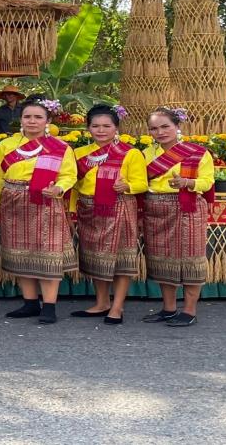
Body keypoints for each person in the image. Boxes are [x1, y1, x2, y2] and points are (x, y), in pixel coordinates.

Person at [0, 97, 77, 324]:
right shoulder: (6, 145)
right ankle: (30, 302)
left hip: (45, 202)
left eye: (38, 117)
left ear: (47, 121)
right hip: (13, 202)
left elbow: (69, 175)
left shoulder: (60, 147)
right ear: (21, 119)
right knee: (20, 251)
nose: (32, 121)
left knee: (48, 252)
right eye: (27, 117)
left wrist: (58, 188)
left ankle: (49, 306)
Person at [70, 104, 147, 325]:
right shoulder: (79, 153)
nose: (101, 130)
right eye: (95, 126)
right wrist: (71, 210)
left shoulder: (130, 153)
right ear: (88, 128)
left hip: (119, 207)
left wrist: (127, 186)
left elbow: (142, 183)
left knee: (121, 258)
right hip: (89, 208)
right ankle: (101, 302)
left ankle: (117, 306)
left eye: (106, 126)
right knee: (95, 257)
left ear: (116, 128)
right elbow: (74, 186)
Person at [141, 107, 214, 327]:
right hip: (155, 208)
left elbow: (207, 182)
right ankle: (169, 308)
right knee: (161, 258)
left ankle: (189, 311)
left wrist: (187, 182)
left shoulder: (198, 153)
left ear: (177, 126)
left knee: (191, 259)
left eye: (165, 126)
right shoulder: (146, 154)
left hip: (187, 207)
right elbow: (140, 181)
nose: (160, 132)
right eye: (154, 128)